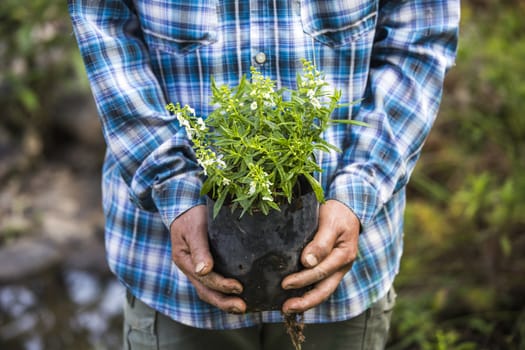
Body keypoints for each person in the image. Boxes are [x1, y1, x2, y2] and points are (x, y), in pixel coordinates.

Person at [68, 0, 459, 349]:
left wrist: (361, 188)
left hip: (345, 274)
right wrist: (172, 186)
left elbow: (421, 32)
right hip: (171, 271)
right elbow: (101, 18)